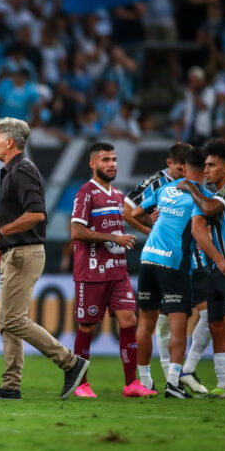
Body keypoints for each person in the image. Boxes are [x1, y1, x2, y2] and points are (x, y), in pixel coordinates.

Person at [0, 117, 88, 400]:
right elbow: (23, 215)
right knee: (7, 320)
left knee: (12, 319)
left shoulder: (22, 169)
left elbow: (36, 214)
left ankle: (70, 363)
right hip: (18, 250)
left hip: (25, 254)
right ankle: (11, 385)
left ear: (9, 142)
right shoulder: (14, 169)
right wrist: (6, 242)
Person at [70, 142, 154, 398]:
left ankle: (131, 384)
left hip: (118, 272)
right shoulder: (86, 193)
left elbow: (118, 230)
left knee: (129, 320)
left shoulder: (118, 195)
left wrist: (147, 225)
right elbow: (77, 232)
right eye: (106, 159)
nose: (112, 164)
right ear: (93, 164)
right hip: (92, 273)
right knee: (87, 328)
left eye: (114, 159)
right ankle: (81, 384)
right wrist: (114, 238)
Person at [133, 147, 210, 398]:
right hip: (174, 264)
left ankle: (144, 381)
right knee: (178, 328)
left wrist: (154, 219)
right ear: (204, 171)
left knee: (145, 324)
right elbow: (206, 219)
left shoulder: (165, 188)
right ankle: (174, 384)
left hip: (147, 259)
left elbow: (135, 212)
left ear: (184, 168)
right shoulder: (202, 195)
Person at [123, 142, 195, 380]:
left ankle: (169, 374)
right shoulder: (158, 182)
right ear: (169, 164)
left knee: (161, 321)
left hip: (168, 257)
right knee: (163, 320)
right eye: (179, 169)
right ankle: (165, 377)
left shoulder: (187, 184)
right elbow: (127, 209)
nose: (183, 173)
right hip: (166, 257)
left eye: (187, 168)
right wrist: (148, 227)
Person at [187, 139, 225, 397]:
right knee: (217, 324)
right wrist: (218, 261)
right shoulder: (211, 196)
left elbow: (208, 209)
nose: (206, 169)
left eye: (212, 165)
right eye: (205, 165)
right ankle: (224, 384)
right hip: (218, 268)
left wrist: (191, 187)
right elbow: (198, 229)